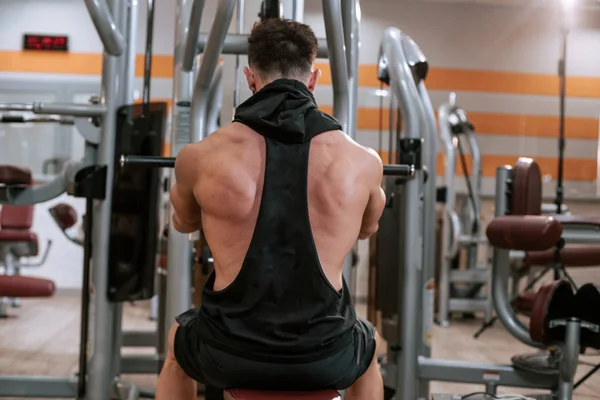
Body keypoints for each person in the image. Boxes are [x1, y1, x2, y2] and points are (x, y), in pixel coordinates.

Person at [157, 18, 386, 400]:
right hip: (326, 354)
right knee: (370, 350)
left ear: (250, 78)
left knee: (177, 347)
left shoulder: (199, 156)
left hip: (227, 353)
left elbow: (182, 223)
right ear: (312, 80)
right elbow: (366, 229)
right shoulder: (363, 161)